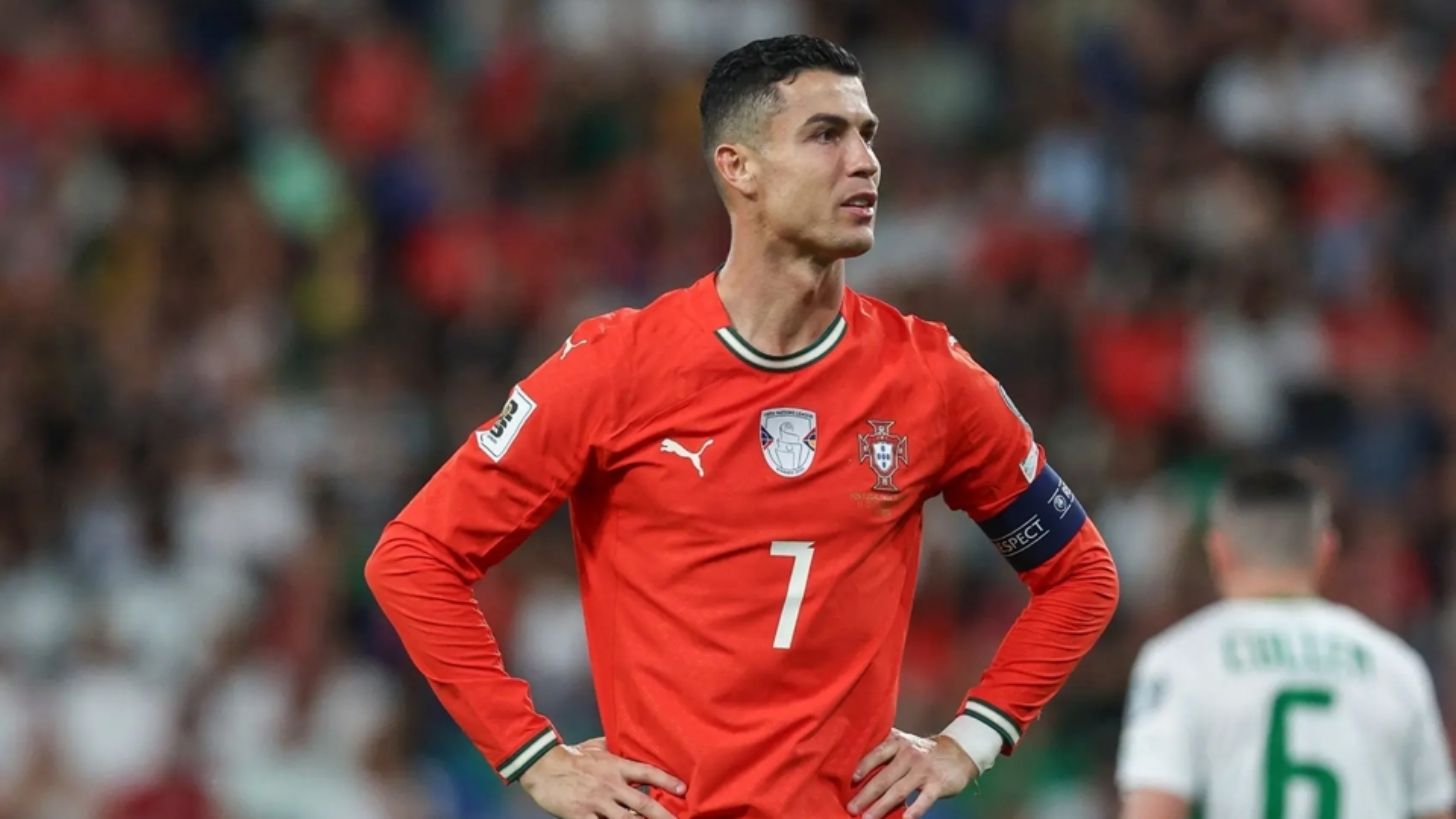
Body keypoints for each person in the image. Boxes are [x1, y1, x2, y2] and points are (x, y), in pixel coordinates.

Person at [366, 34, 1119, 819]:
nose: (864, 161)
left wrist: (972, 738)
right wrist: (534, 756)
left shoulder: (931, 377)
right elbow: (414, 557)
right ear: (739, 167)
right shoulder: (617, 366)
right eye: (826, 134)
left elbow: (1080, 575)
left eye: (868, 135)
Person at [1116, 464, 1455, 819]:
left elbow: (1154, 810)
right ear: (1326, 550)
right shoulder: (1397, 666)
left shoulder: (1179, 660)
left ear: (1219, 551)